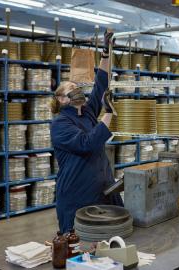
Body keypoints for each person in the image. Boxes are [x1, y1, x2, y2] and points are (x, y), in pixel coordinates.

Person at [50, 30, 122, 233]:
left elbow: (101, 83)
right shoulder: (60, 124)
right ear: (62, 99)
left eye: (78, 87)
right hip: (77, 195)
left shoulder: (88, 112)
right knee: (79, 246)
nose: (78, 91)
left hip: (102, 189)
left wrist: (106, 53)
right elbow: (87, 143)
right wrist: (108, 112)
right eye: (71, 89)